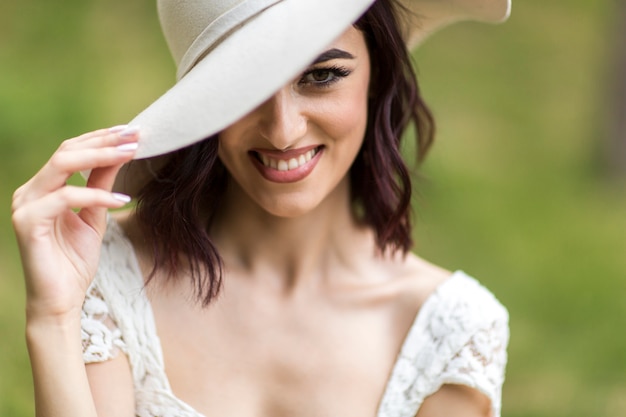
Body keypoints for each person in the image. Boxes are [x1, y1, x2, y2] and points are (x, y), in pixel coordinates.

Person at [11, 0, 511, 416]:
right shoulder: (109, 277)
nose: (283, 130)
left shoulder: (450, 332)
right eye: (243, 88)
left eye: (321, 75)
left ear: (377, 75)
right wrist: (52, 318)